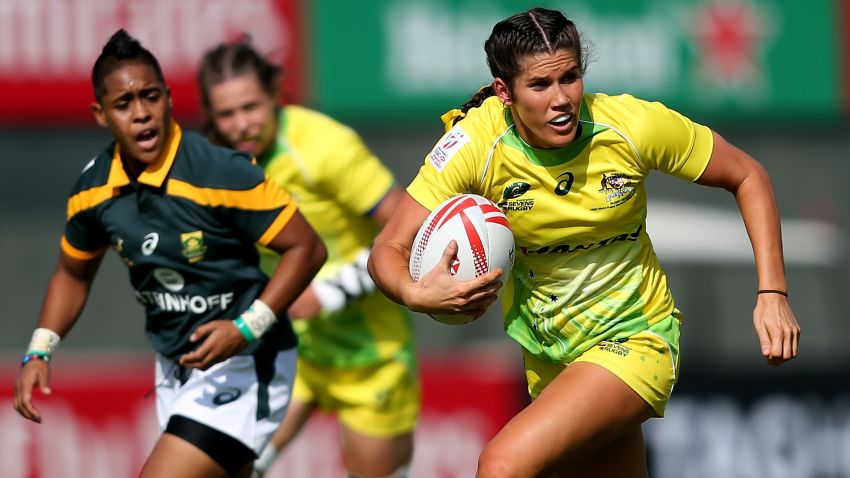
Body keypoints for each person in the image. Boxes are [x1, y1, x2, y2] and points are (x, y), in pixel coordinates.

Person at [368, 7, 801, 477]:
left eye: (570, 78)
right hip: (550, 355)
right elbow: (387, 249)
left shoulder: (631, 126)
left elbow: (748, 175)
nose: (562, 99)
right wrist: (415, 292)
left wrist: (772, 293)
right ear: (503, 92)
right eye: (540, 85)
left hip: (637, 337)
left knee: (501, 464)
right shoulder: (476, 143)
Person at [12, 30, 327, 478]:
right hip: (177, 370)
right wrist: (38, 352)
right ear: (100, 115)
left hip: (246, 363)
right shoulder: (93, 191)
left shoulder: (221, 171)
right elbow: (72, 273)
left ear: (169, 99)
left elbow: (307, 248)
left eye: (150, 97)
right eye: (124, 104)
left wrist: (245, 328)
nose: (141, 113)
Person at [197, 38, 419, 478]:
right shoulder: (214, 164)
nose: (240, 124)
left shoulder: (323, 145)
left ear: (276, 94)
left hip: (369, 356)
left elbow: (411, 233)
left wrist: (331, 291)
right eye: (226, 113)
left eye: (251, 107)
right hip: (285, 348)